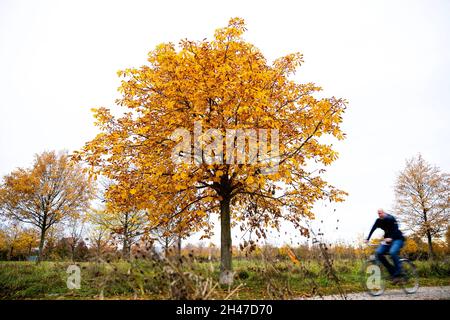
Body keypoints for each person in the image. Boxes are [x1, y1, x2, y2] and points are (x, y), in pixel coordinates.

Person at [365, 208, 405, 282]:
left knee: (392, 252)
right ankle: (393, 272)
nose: (379, 215)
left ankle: (399, 271)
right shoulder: (378, 221)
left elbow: (396, 229)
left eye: (381, 213)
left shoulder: (390, 218)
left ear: (384, 213)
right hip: (387, 241)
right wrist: (367, 239)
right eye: (378, 213)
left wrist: (391, 238)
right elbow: (373, 229)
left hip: (397, 239)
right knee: (378, 253)